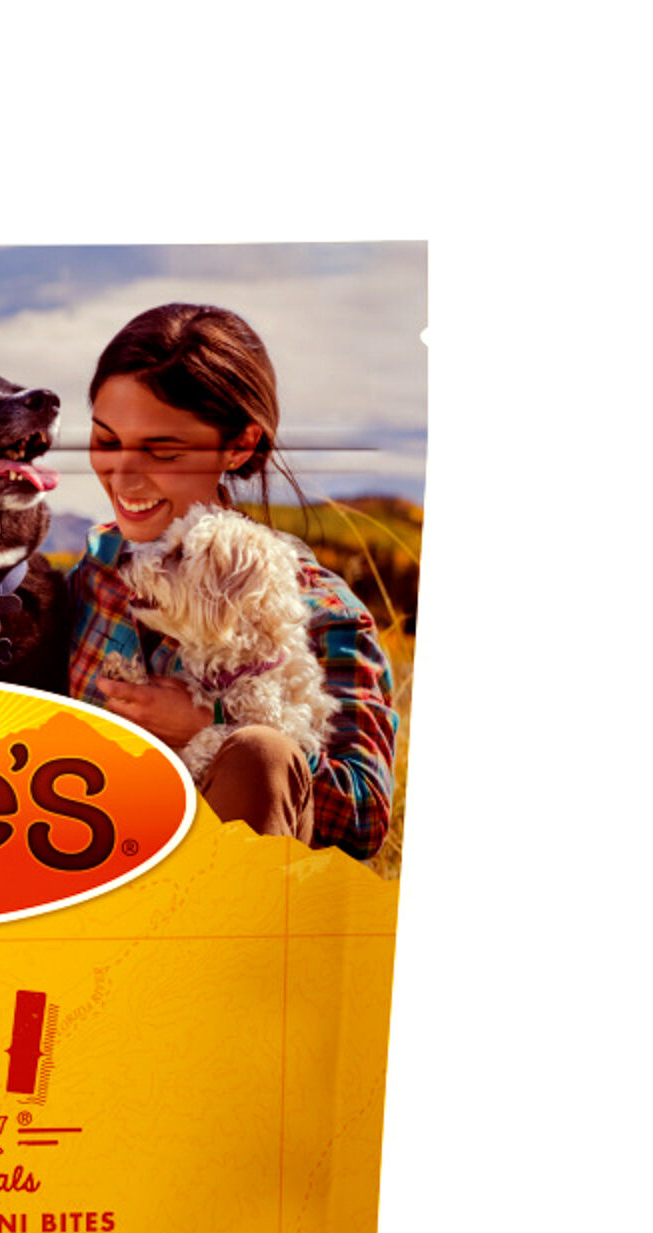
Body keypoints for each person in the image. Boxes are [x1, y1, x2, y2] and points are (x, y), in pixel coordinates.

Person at [69, 304, 399, 858]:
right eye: (106, 440)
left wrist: (212, 725)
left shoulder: (321, 612)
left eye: (162, 450)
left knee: (262, 754)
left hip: (224, 893)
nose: (122, 477)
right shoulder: (96, 570)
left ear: (240, 445)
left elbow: (363, 817)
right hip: (85, 866)